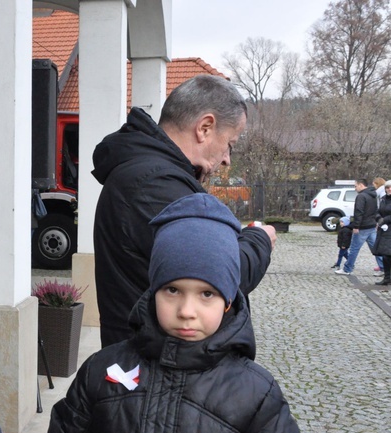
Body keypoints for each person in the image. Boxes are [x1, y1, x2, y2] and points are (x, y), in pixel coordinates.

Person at [35, 193, 315, 433]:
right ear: (153, 290)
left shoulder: (255, 392)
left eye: (206, 294)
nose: (186, 310)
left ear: (228, 301)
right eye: (173, 290)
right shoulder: (102, 371)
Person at [92, 74, 275, 348]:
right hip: (156, 366)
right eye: (230, 144)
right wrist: (260, 240)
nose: (227, 159)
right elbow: (217, 270)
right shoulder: (154, 184)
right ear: (204, 127)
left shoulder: (154, 175)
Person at [335, 178, 383, 276]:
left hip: (363, 227)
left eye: (355, 186)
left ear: (361, 185)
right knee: (376, 248)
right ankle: (384, 268)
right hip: (371, 225)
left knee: (354, 249)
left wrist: (356, 226)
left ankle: (347, 269)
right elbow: (376, 210)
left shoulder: (361, 196)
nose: (355, 188)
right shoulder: (373, 195)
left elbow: (359, 212)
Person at [373, 180, 391, 285]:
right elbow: (377, 211)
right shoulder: (383, 199)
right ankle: (387, 278)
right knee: (385, 255)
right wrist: (379, 218)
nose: (389, 189)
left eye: (390, 187)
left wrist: (385, 220)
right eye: (387, 187)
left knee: (387, 255)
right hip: (384, 230)